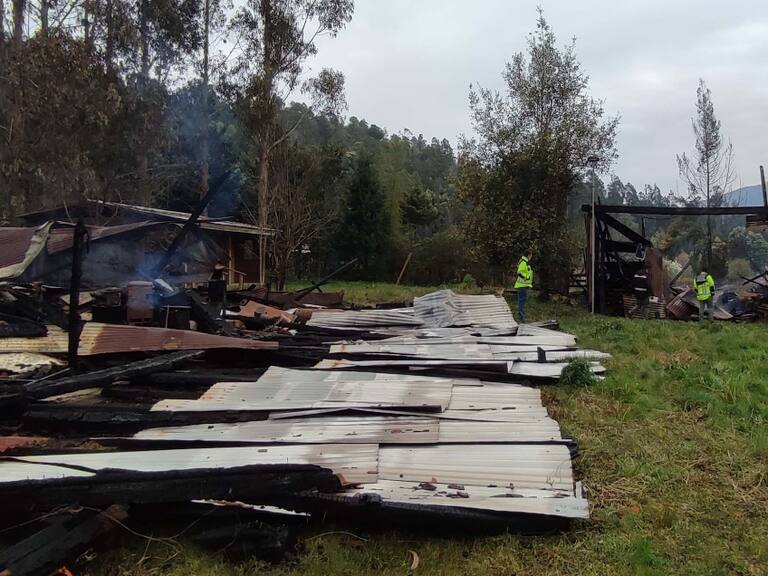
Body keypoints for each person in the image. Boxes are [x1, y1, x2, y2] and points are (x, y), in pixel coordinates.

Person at [514, 251, 533, 323]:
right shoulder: (523, 262)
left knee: (522, 301)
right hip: (522, 285)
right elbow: (519, 272)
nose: (531, 257)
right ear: (528, 255)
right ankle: (521, 317)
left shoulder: (524, 262)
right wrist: (526, 278)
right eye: (531, 255)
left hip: (523, 285)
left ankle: (521, 316)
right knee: (521, 301)